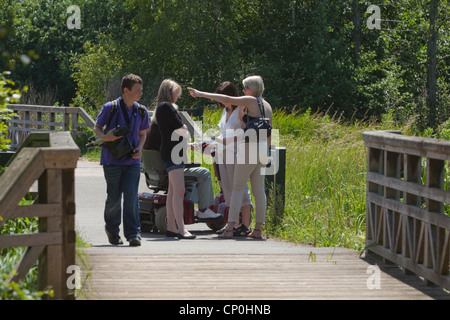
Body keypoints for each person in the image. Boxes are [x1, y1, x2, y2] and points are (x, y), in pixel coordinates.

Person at [188, 75, 273, 239]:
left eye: (245, 88)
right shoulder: (267, 105)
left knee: (237, 188)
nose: (243, 91)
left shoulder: (250, 101)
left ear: (252, 89)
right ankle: (258, 230)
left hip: (249, 147)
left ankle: (229, 228)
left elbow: (226, 98)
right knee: (259, 190)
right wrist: (267, 152)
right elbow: (269, 131)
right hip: (262, 148)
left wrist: (200, 93)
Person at [94, 74, 150, 246]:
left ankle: (133, 234)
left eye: (141, 90)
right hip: (112, 160)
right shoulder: (110, 107)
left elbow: (142, 134)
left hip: (133, 161)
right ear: (126, 90)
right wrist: (105, 137)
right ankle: (112, 231)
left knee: (132, 197)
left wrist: (140, 148)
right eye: (137, 90)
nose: (141, 93)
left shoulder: (141, 110)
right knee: (114, 198)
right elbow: (97, 128)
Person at [143, 116, 221, 220]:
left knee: (192, 172)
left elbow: (170, 145)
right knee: (204, 173)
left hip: (154, 175)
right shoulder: (164, 132)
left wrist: (188, 145)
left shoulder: (152, 131)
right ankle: (204, 210)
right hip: (168, 173)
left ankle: (190, 205)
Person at [155, 79, 196, 239]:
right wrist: (184, 128)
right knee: (180, 191)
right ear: (168, 92)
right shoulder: (167, 107)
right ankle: (181, 228)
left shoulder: (161, 108)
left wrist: (183, 131)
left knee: (173, 192)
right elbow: (181, 128)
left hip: (171, 151)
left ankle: (172, 227)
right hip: (173, 153)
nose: (178, 95)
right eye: (176, 92)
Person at [214, 81, 252, 236]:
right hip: (223, 153)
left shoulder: (241, 109)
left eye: (225, 98)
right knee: (228, 190)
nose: (222, 101)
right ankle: (233, 224)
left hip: (237, 153)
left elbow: (246, 132)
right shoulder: (225, 110)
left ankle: (245, 224)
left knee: (241, 189)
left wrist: (228, 140)